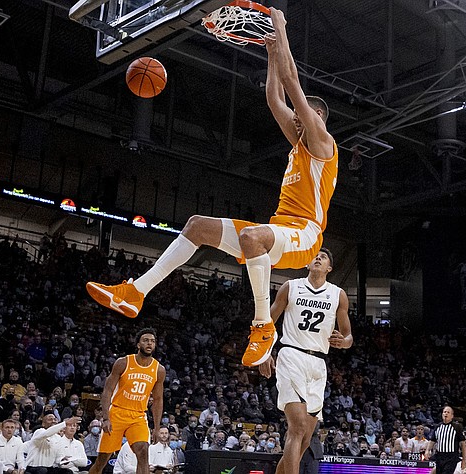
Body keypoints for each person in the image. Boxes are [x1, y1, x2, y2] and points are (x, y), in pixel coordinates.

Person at [85, 7, 339, 368]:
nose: (294, 119)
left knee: (252, 236)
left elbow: (292, 84)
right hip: (280, 230)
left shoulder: (321, 142)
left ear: (315, 119)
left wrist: (280, 30)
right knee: (196, 225)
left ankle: (263, 325)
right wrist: (269, 54)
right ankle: (135, 292)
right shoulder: (299, 143)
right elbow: (274, 100)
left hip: (305, 235)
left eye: (302, 116)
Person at [259, 248, 352, 474]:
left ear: (329, 268)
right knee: (297, 429)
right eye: (315, 256)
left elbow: (348, 336)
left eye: (324, 257)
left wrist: (344, 341)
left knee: (306, 440)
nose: (318, 257)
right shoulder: (291, 287)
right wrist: (264, 353)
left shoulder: (338, 294)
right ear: (307, 264)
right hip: (292, 356)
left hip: (319, 363)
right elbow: (267, 322)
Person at [88, 329, 165, 474]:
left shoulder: (159, 370)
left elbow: (158, 399)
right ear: (138, 344)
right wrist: (105, 418)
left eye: (152, 341)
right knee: (102, 460)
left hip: (138, 416)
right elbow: (108, 391)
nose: (149, 343)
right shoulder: (123, 362)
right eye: (145, 340)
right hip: (117, 412)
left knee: (143, 451)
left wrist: (157, 427)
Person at [428, 406, 466, 474]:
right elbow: (432, 441)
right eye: (444, 412)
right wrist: (427, 450)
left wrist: (464, 459)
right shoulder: (438, 427)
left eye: (448, 412)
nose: (446, 414)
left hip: (451, 457)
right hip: (440, 456)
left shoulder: (457, 427)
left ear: (452, 416)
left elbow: (463, 444)